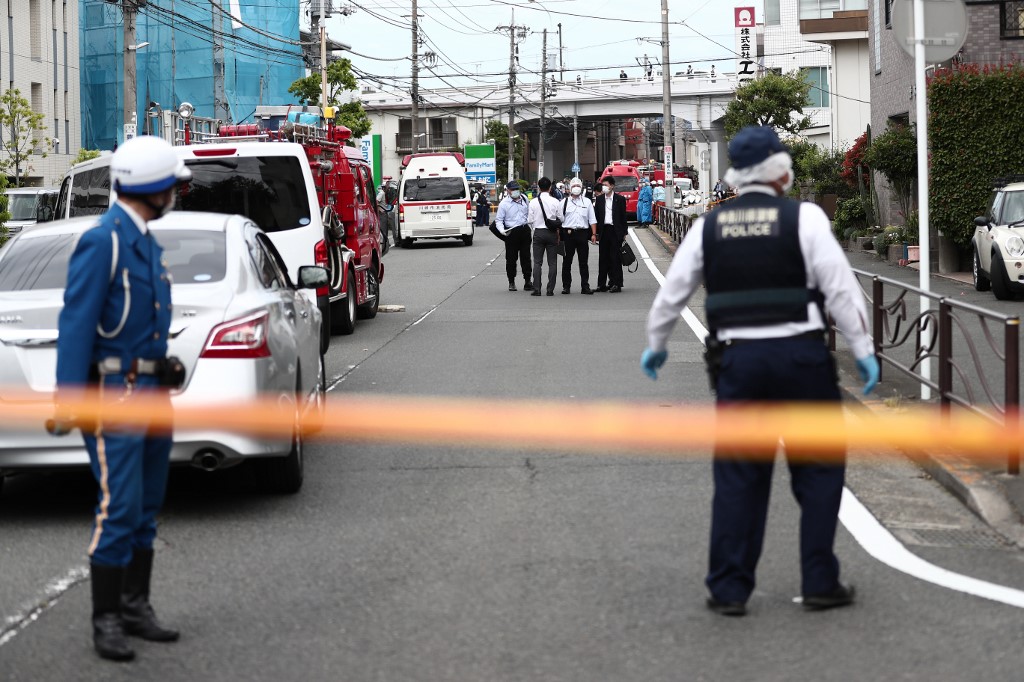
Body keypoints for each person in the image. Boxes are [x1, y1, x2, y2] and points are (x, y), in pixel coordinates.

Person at [640, 126, 881, 618]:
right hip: (802, 359)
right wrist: (864, 350)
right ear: (779, 170)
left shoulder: (711, 225)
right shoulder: (805, 218)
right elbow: (842, 292)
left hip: (739, 364)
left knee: (739, 477)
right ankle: (819, 580)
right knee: (817, 471)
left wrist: (657, 343)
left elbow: (673, 291)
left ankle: (729, 588)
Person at [51, 135, 191, 661]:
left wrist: (164, 362)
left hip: (153, 393)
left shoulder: (146, 240)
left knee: (148, 504)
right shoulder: (103, 241)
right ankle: (106, 619)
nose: (177, 193)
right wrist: (70, 399)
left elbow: (141, 323)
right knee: (120, 506)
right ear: (153, 188)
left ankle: (136, 607)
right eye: (173, 184)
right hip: (115, 399)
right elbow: (77, 324)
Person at [527, 176, 564, 296]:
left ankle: (537, 289)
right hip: (552, 233)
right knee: (552, 262)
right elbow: (561, 218)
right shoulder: (555, 201)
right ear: (550, 188)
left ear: (538, 187)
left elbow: (530, 220)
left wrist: (535, 227)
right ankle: (550, 289)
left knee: (537, 262)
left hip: (538, 232)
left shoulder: (533, 202)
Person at [560, 177, 597, 295]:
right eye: (574, 186)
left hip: (582, 234)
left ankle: (585, 286)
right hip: (568, 234)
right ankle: (566, 286)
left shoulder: (587, 202)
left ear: (582, 188)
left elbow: (592, 219)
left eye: (578, 186)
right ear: (570, 188)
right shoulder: (563, 202)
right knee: (567, 261)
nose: (576, 188)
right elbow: (559, 220)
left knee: (583, 262)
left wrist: (594, 234)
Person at [494, 181, 533, 292]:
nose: (515, 191)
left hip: (524, 230)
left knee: (526, 257)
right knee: (511, 258)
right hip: (511, 232)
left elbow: (529, 213)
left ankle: (527, 281)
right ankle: (511, 282)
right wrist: (502, 231)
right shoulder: (504, 204)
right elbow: (499, 220)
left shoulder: (524, 199)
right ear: (508, 191)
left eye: (517, 189)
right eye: (513, 189)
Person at [592, 176, 628, 292]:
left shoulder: (619, 199)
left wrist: (624, 232)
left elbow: (623, 217)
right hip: (604, 230)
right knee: (603, 258)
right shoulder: (600, 199)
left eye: (606, 185)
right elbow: (596, 216)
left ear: (612, 186)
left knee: (615, 258)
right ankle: (601, 284)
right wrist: (595, 233)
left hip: (615, 231)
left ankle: (616, 283)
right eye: (603, 185)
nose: (604, 187)